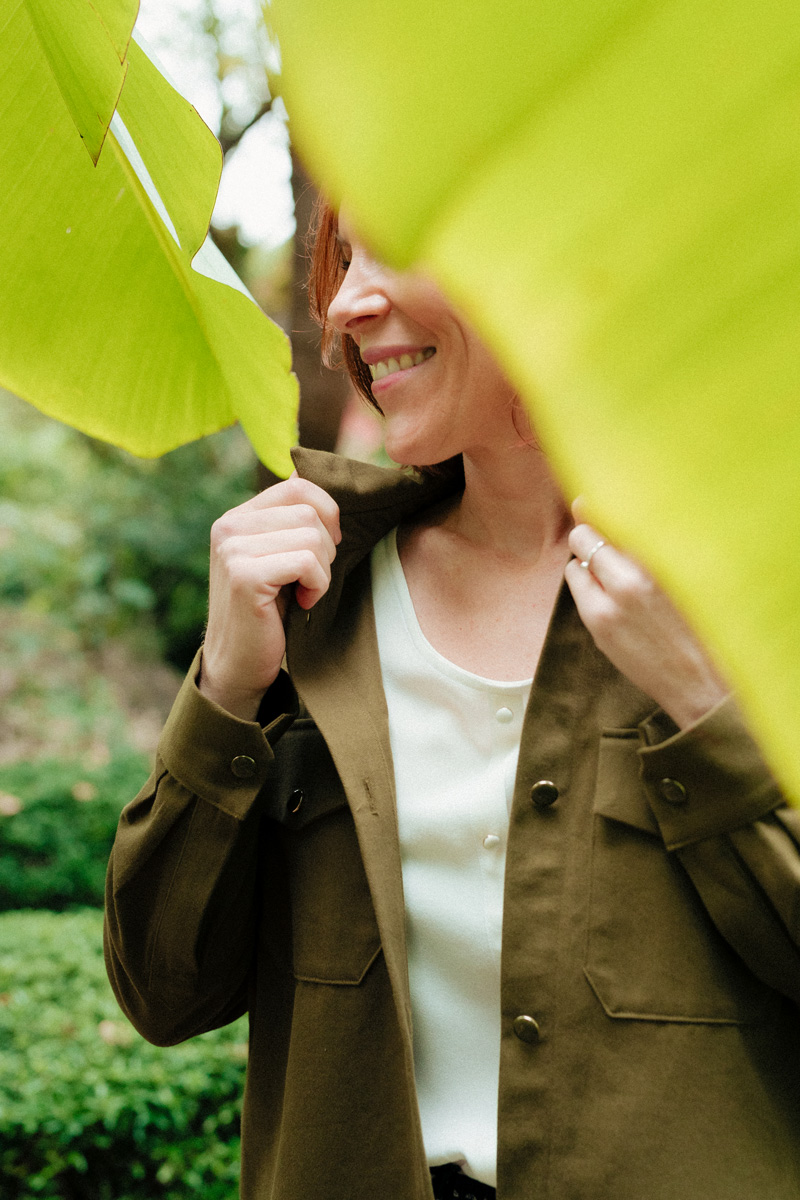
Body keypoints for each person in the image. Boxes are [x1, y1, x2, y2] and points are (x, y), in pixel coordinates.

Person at [104, 202, 800, 1200]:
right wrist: (226, 686)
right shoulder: (310, 606)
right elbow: (162, 990)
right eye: (342, 261)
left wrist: (699, 704)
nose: (343, 302)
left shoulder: (758, 587)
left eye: (400, 241)